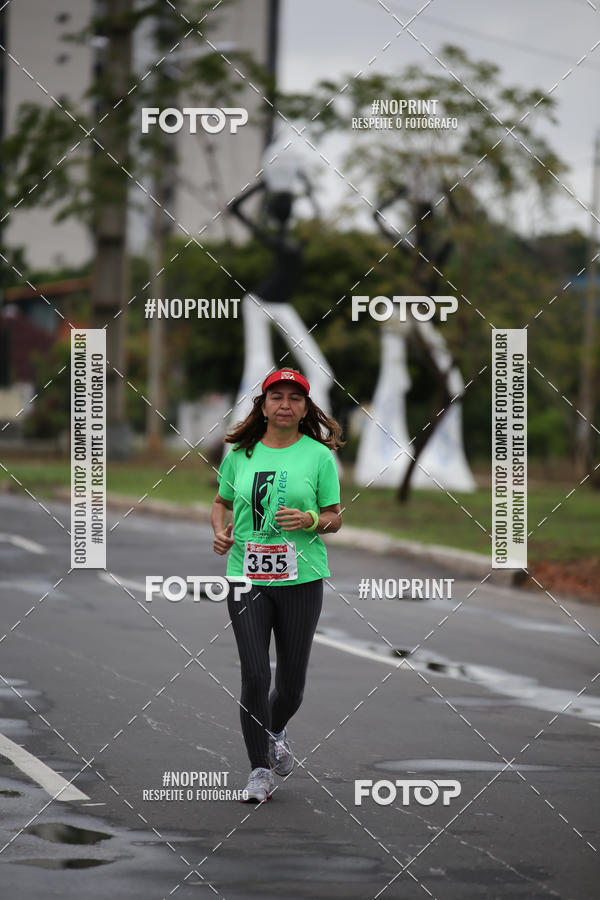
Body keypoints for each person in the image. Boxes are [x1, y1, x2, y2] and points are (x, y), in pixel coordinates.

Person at [211, 369, 344, 802]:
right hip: (245, 575)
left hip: (301, 578)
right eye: (276, 396)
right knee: (253, 672)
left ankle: (276, 729)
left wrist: (310, 520)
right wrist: (220, 531)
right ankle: (259, 771)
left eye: (295, 398)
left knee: (290, 686)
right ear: (263, 405)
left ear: (305, 408)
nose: (285, 404)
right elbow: (221, 503)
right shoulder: (239, 454)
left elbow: (334, 517)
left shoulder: (319, 457)